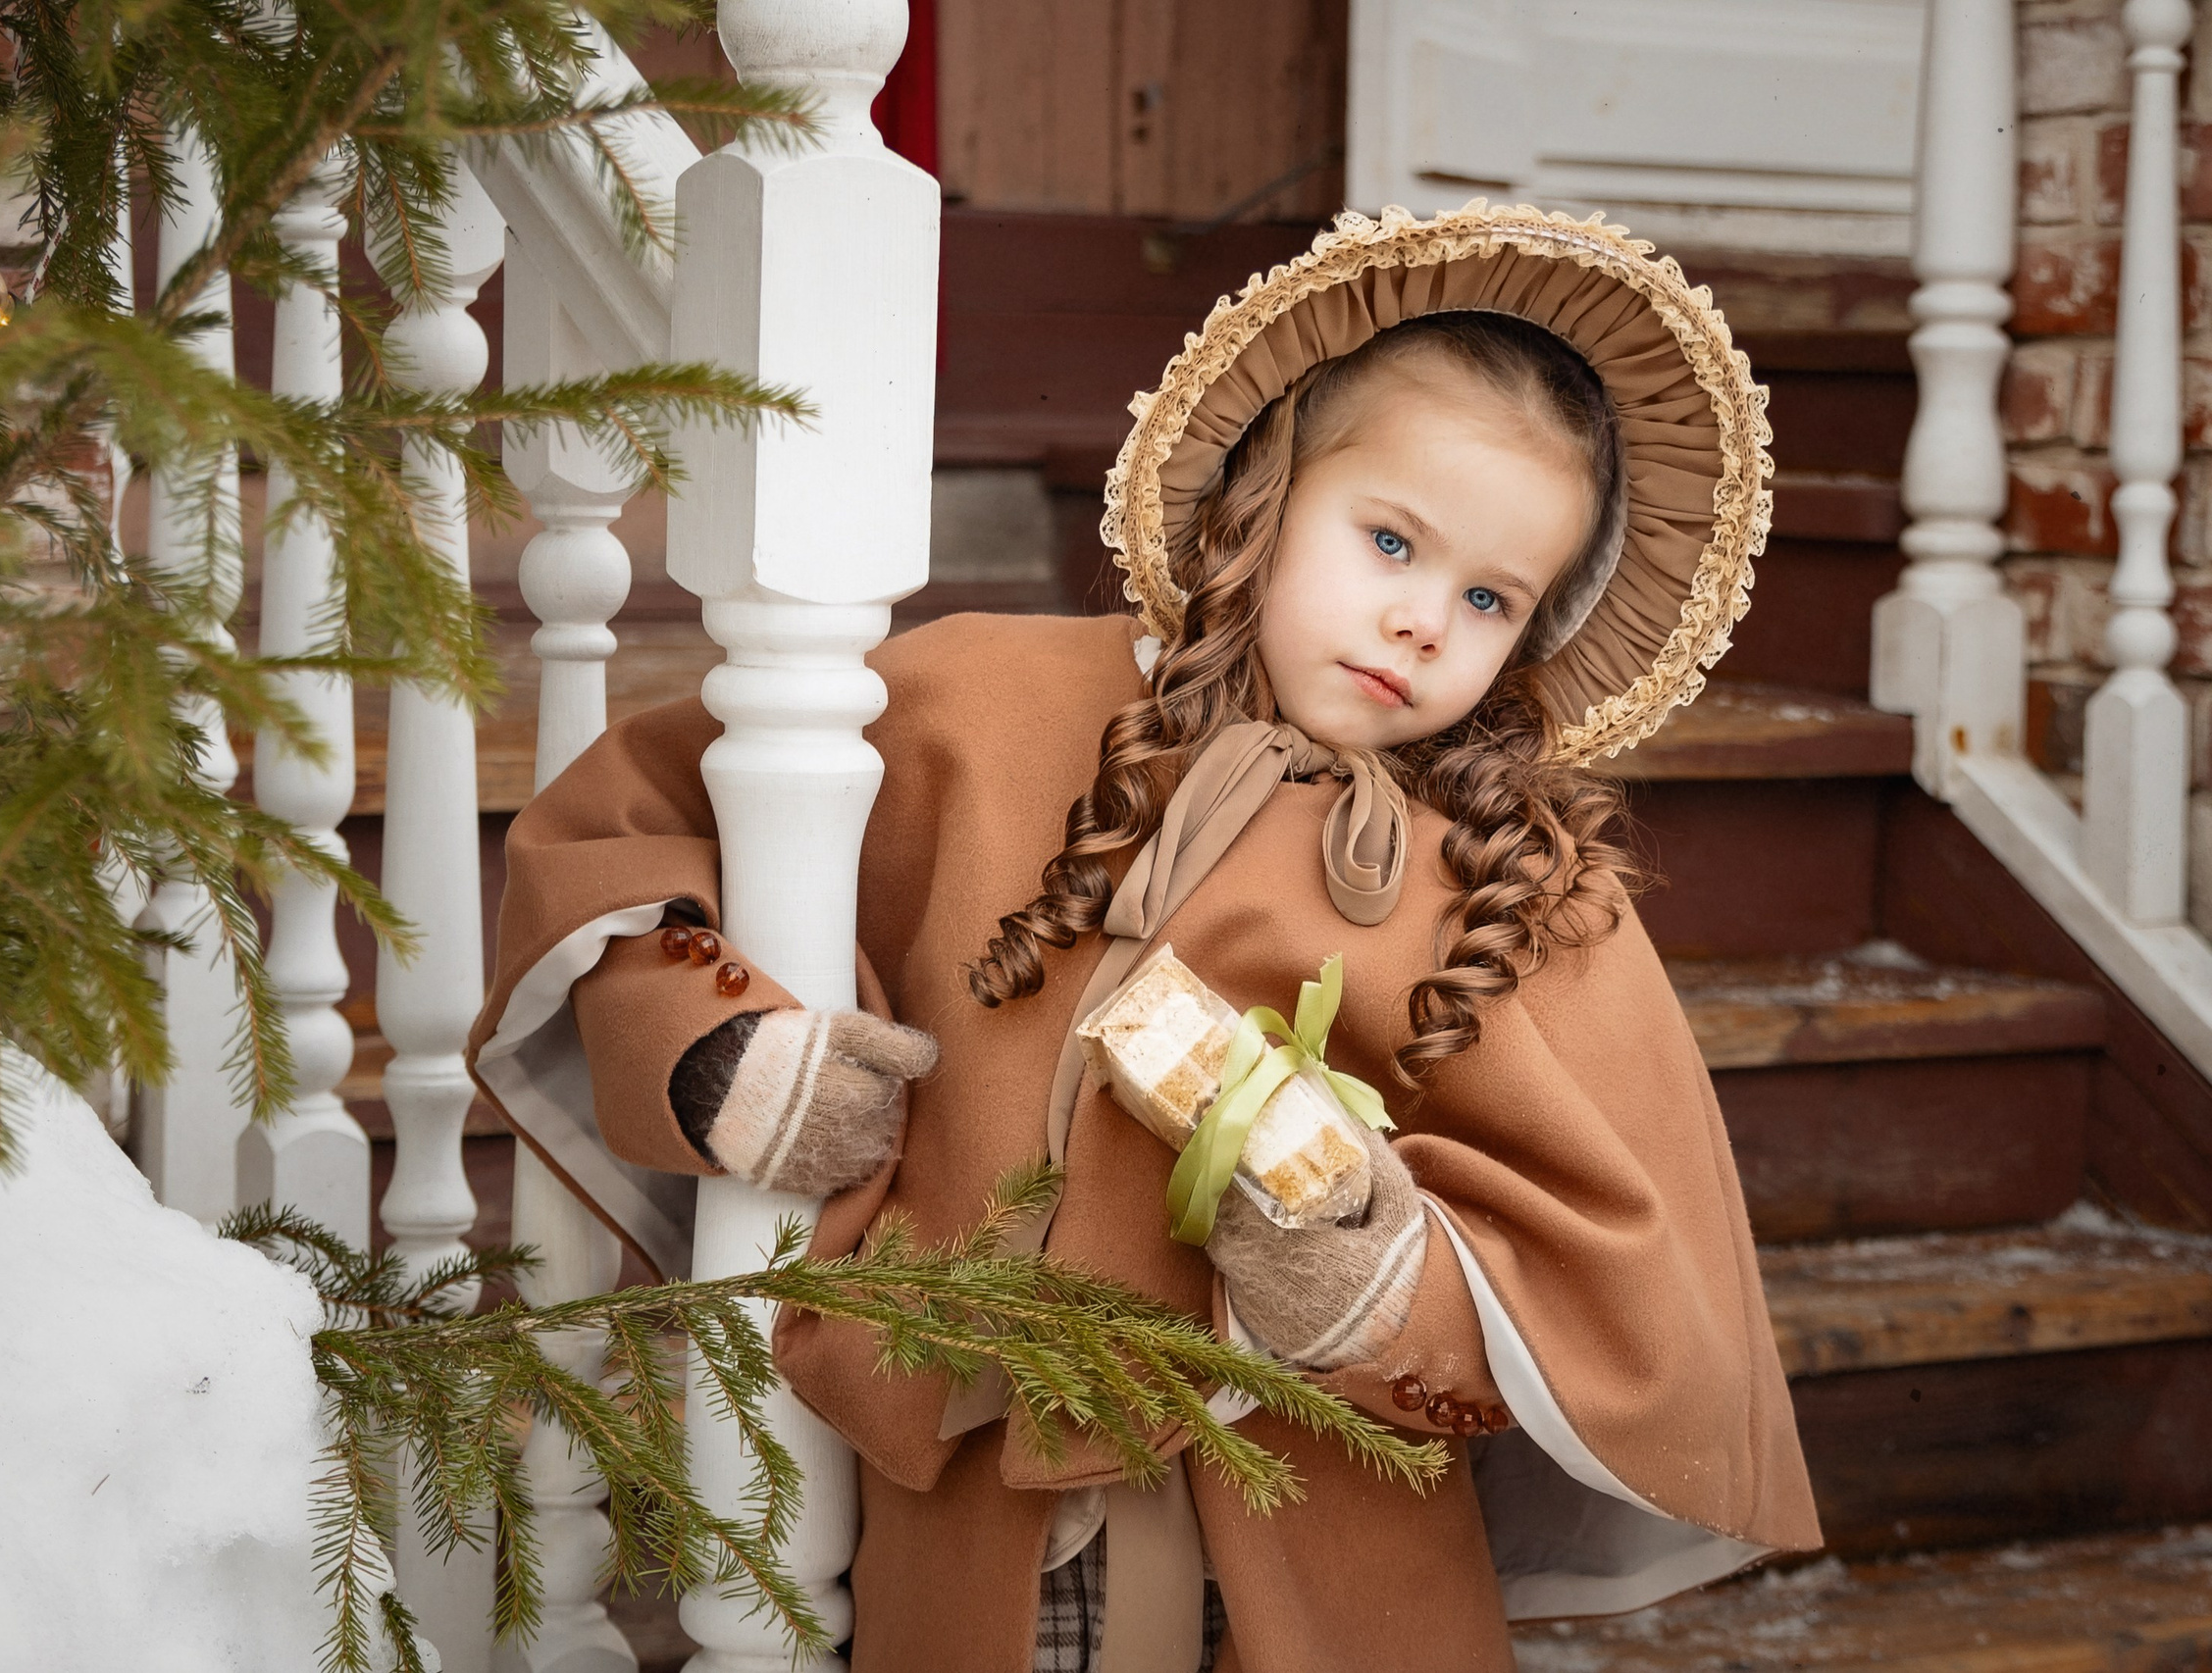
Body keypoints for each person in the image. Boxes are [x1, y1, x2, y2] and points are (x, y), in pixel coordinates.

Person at [469, 203, 1821, 1673]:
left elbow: (1627, 1267)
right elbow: (624, 827)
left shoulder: (1510, 889)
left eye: (1489, 597)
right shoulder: (976, 704)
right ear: (1266, 490)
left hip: (1314, 1530)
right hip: (986, 1501)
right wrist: (723, 1044)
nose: (1424, 621)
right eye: (1389, 540)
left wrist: (1388, 1285)